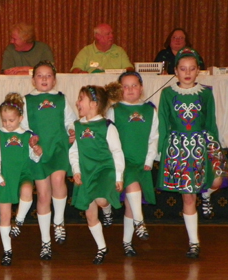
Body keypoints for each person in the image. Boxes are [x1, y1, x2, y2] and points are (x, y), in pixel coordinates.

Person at [157, 47, 227, 258]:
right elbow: (163, 122)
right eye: (182, 69)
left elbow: (210, 122)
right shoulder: (168, 94)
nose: (187, 73)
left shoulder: (206, 93)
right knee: (188, 197)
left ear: (198, 71)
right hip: (179, 148)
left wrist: (215, 148)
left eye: (192, 69)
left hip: (202, 144)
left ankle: (205, 195)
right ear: (175, 71)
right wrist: (162, 151)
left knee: (217, 179)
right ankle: (194, 242)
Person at [11, 60, 76, 260]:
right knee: (44, 195)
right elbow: (24, 126)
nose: (44, 79)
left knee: (58, 181)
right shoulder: (27, 100)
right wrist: (31, 138)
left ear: (55, 80)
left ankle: (58, 222)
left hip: (58, 148)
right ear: (33, 80)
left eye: (48, 75)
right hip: (38, 152)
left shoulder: (61, 99)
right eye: (40, 75)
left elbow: (70, 121)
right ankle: (45, 241)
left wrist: (72, 131)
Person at [0, 92, 42, 266]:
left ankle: (19, 221)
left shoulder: (27, 135)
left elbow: (33, 157)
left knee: (27, 191)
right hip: (4, 175)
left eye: (11, 120)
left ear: (20, 118)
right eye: (4, 120)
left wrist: (37, 152)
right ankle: (7, 250)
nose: (8, 124)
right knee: (4, 215)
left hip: (22, 173)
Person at [69, 83, 124, 264]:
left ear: (93, 103)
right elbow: (74, 151)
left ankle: (107, 209)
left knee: (101, 200)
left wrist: (118, 176)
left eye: (81, 99)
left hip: (104, 170)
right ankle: (102, 247)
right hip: (86, 172)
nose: (77, 103)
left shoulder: (107, 126)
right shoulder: (77, 126)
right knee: (90, 214)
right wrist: (76, 171)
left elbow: (117, 152)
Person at [106, 72, 159, 257]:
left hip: (141, 161)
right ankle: (139, 221)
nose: (130, 90)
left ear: (141, 87)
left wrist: (149, 159)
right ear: (120, 89)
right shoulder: (115, 109)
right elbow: (109, 137)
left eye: (134, 85)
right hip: (123, 161)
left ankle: (127, 242)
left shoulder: (150, 110)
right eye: (125, 86)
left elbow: (154, 137)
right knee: (133, 188)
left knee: (130, 202)